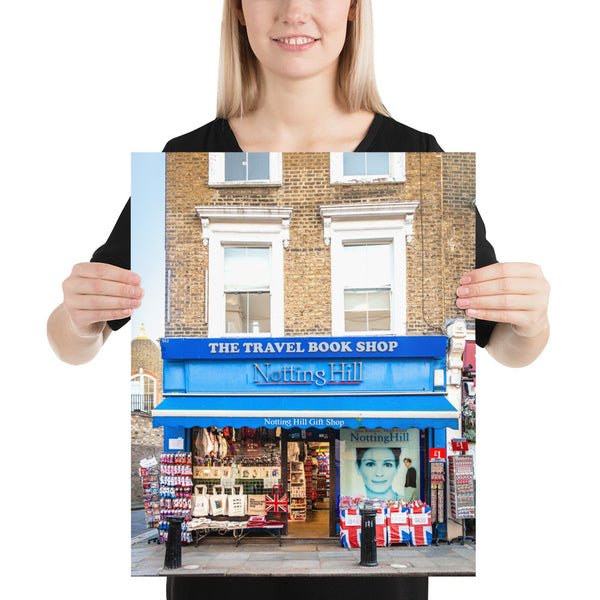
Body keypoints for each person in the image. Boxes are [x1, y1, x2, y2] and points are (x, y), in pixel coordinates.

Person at [46, 1, 550, 598]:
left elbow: (509, 347)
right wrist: (77, 319)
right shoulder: (177, 160)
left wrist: (532, 319)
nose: (294, 11)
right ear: (237, 11)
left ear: (355, 11)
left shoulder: (426, 157)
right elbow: (74, 342)